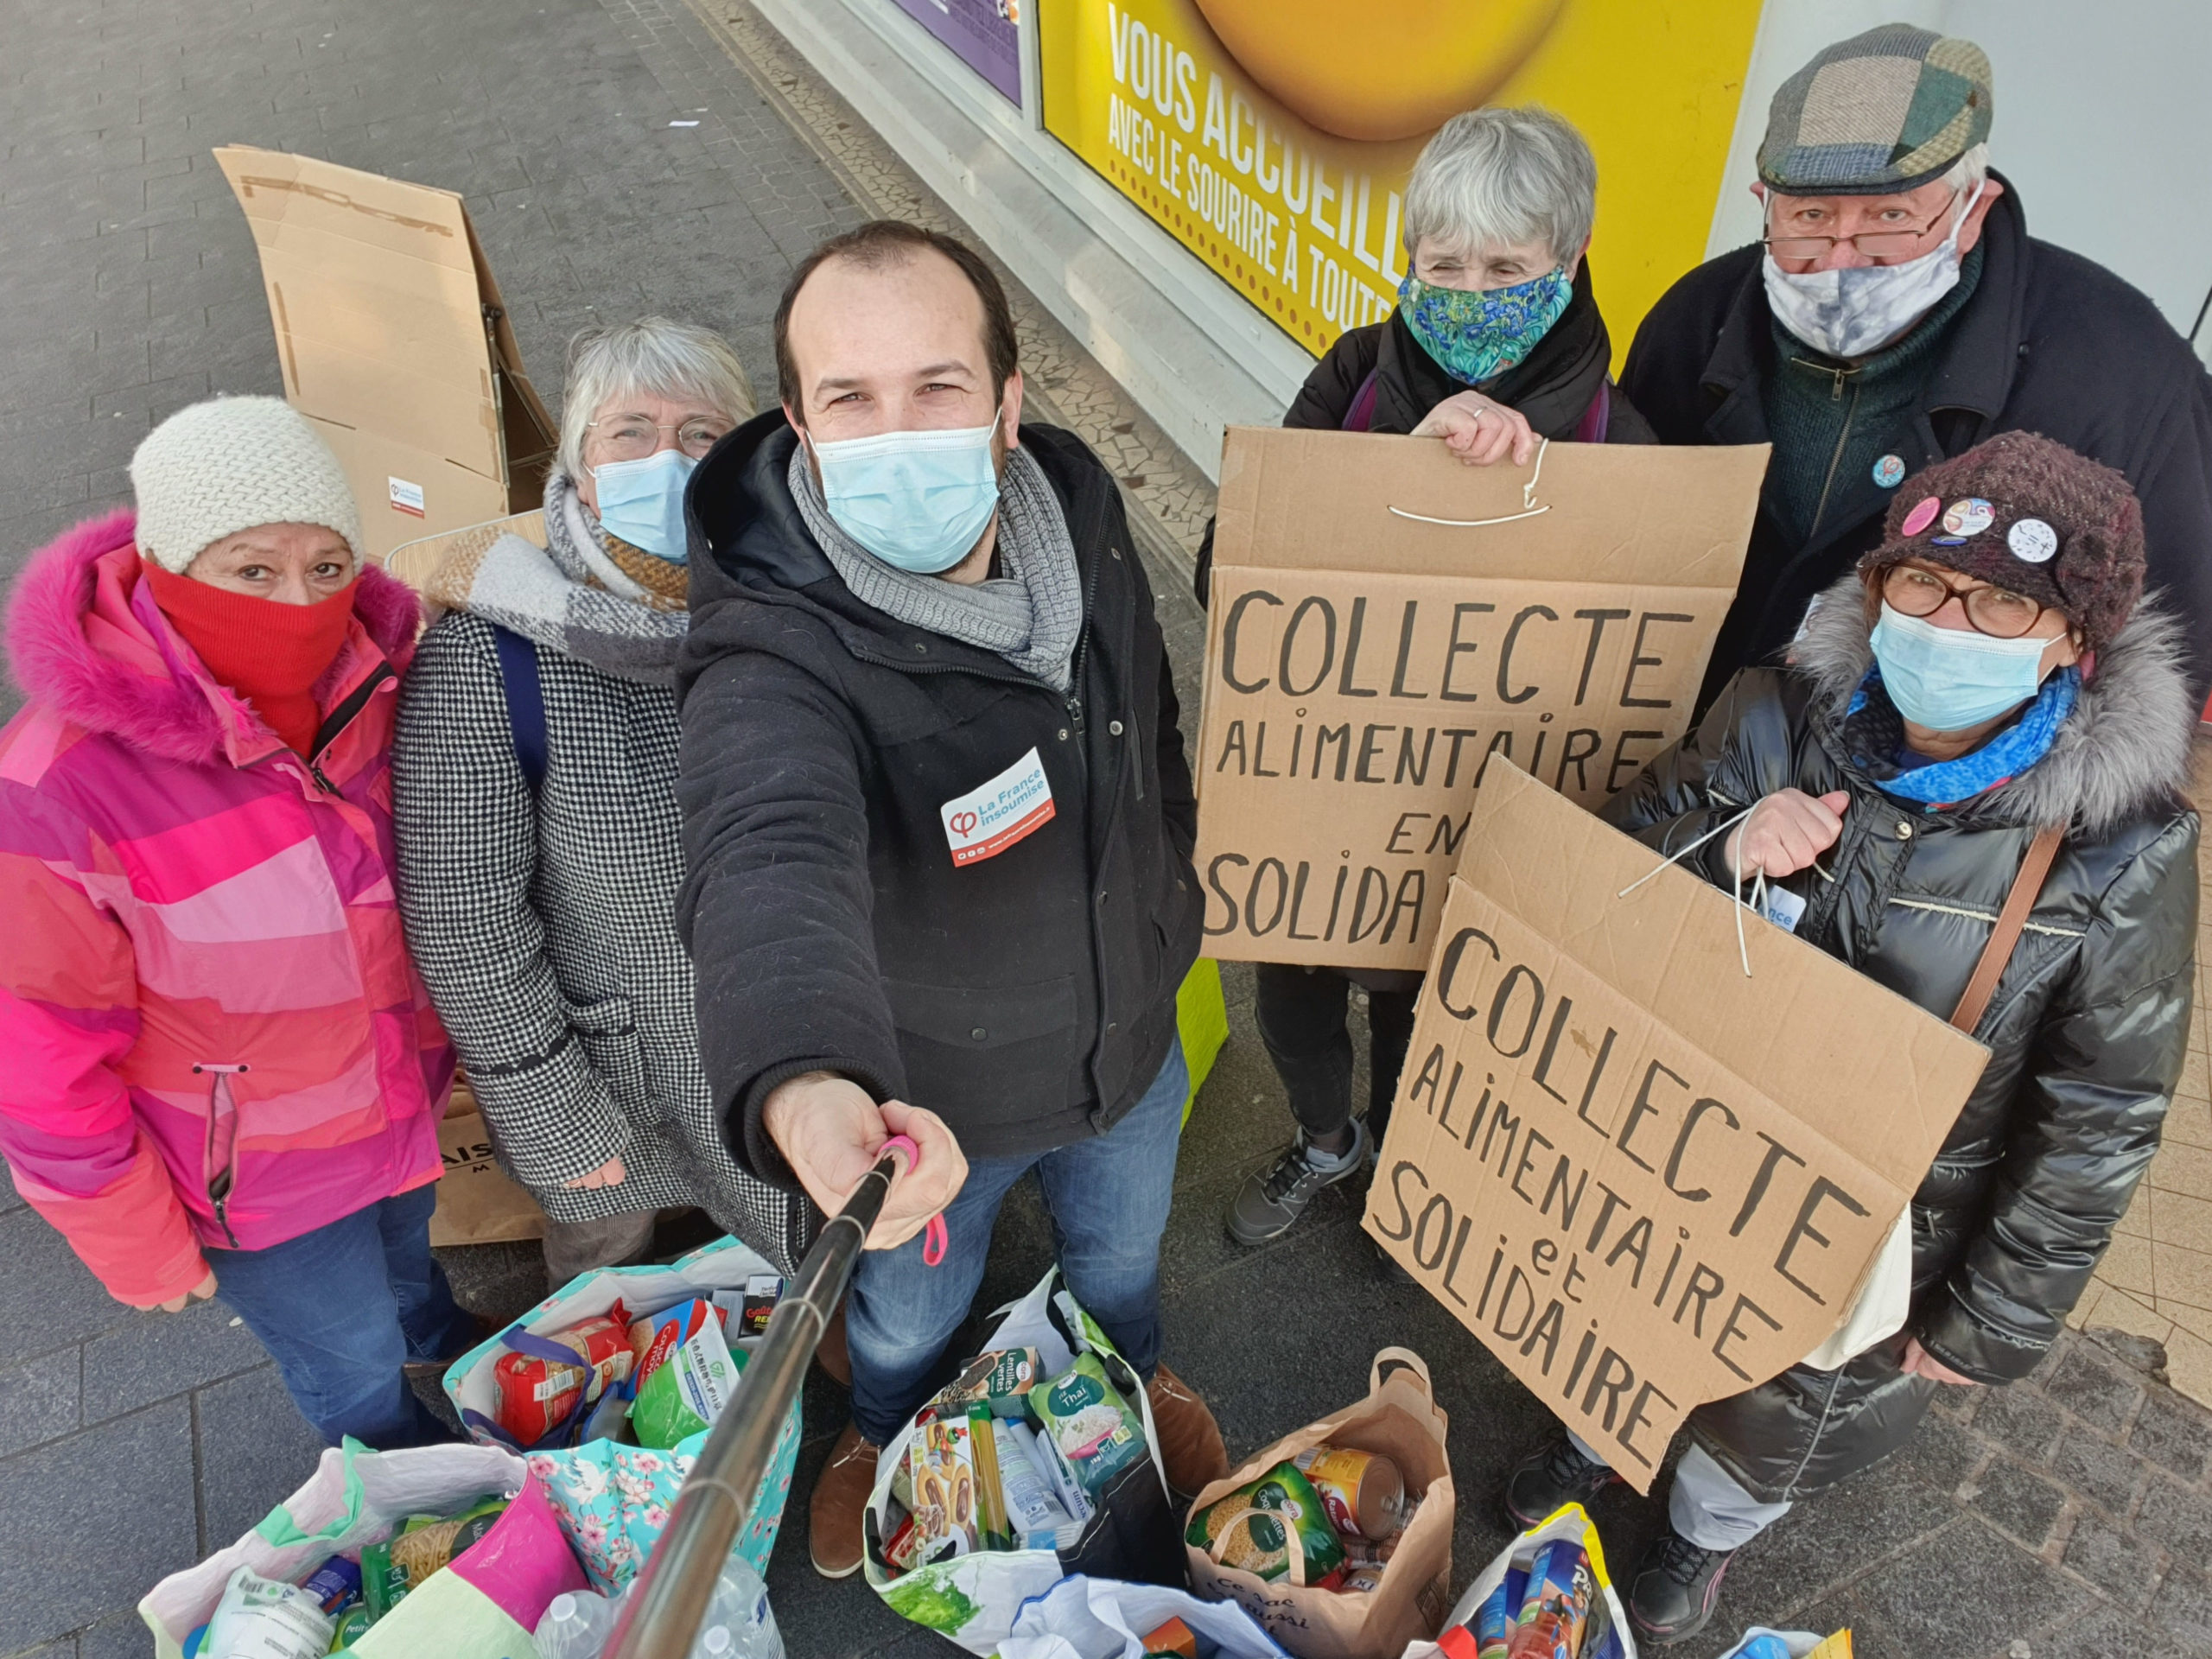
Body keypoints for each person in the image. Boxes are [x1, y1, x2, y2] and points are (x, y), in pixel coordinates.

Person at [1501, 432, 2198, 1643]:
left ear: (2075, 645)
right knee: (1621, 1314)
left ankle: (1697, 1537)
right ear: (1878, 589)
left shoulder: (2126, 848)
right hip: (1666, 1146)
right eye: (1921, 584)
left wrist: (1991, 1321)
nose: (1947, 622)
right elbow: (1606, 871)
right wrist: (1723, 843)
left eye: (2001, 602)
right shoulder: (1776, 711)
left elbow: (2101, 1113)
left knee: (1774, 1414)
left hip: (1889, 1229)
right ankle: (1592, 1443)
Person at [676, 219, 1229, 1578]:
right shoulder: (771, 644)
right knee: (906, 1315)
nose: (896, 432)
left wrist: (1176, 870)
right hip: (930, 1109)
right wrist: (806, 1079)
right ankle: (879, 1428)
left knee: (1121, 1264)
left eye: (936, 388)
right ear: (799, 425)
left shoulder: (1078, 502)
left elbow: (1144, 707)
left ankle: (1127, 1383)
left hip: (1128, 1038)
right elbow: (765, 845)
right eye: (851, 401)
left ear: (1008, 406)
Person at [1200, 105, 1656, 1249]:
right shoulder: (1357, 376)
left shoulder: (1623, 445)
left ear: (1572, 263)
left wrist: (1537, 494)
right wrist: (1386, 480)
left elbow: (1634, 673)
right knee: (1294, 991)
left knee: (1431, 1011)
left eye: (1507, 266)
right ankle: (1324, 1143)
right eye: (1442, 263)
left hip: (1479, 818)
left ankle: (1405, 1167)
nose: (1469, 290)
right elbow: (1229, 572)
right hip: (1324, 793)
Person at [0, 396, 475, 1448]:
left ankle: (436, 1329)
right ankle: (398, 1469)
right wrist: (132, 1242)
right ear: (168, 566)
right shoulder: (53, 787)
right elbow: (36, 1058)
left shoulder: (380, 684)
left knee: (404, 1249)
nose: (299, 603)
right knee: (345, 1353)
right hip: (254, 1181)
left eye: (326, 565)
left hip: (393, 1098)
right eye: (251, 569)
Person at [1620, 22, 2212, 715]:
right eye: (1809, 216)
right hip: (1677, 761)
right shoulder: (1696, 320)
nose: (1841, 258)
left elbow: (2162, 656)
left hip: (1945, 796)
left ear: (1971, 210)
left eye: (1889, 216)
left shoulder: (2121, 368)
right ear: (1763, 204)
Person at [393, 317, 807, 1289]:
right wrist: (554, 1121)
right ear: (579, 470)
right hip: (610, 1073)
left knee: (798, 1242)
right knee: (602, 1275)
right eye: (629, 432)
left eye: (704, 432)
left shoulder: (799, 611)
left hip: (788, 1046)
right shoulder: (487, 657)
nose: (668, 458)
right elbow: (466, 923)